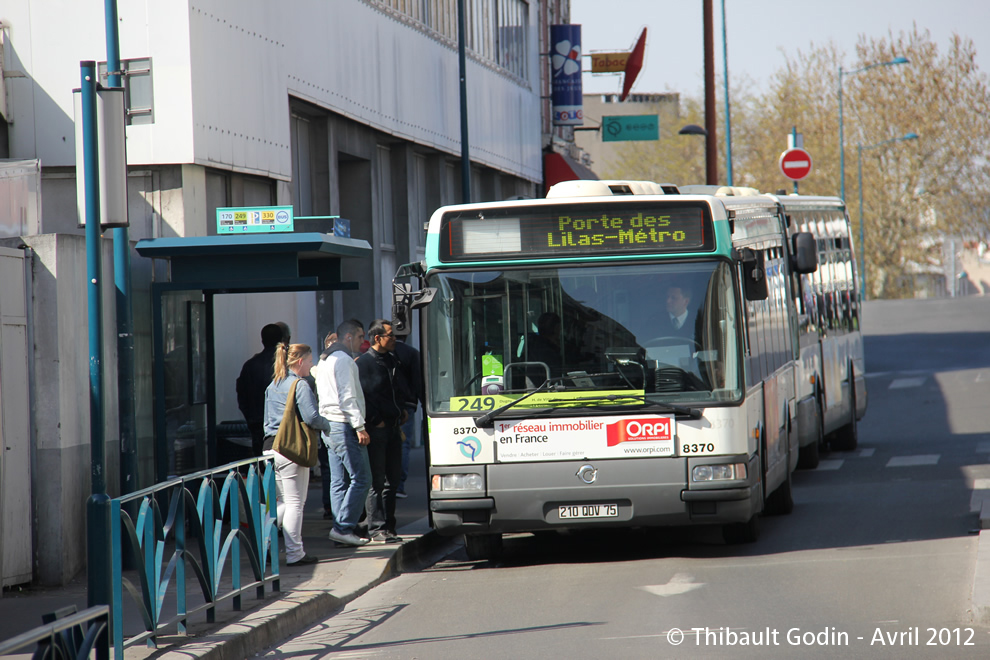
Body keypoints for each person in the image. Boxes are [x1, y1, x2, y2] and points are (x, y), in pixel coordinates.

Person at [263, 342, 329, 566]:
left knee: (282, 501)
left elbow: (267, 421)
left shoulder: (273, 385)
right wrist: (329, 424)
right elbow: (311, 418)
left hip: (270, 448)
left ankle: (264, 543)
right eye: (310, 361)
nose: (311, 366)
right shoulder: (299, 385)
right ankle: (294, 553)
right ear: (300, 362)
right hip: (291, 449)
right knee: (295, 503)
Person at [315, 320, 372, 548]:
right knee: (361, 478)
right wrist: (360, 426)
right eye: (360, 337)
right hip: (344, 424)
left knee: (338, 481)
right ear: (348, 337)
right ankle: (343, 527)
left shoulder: (326, 359)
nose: (362, 341)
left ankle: (341, 529)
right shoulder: (344, 360)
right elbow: (347, 397)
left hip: (328, 425)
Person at [356, 319, 406, 544]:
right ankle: (376, 528)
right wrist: (375, 421)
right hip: (377, 430)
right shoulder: (364, 364)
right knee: (377, 481)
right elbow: (363, 396)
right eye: (390, 335)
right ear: (377, 338)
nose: (394, 339)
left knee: (392, 480)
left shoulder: (393, 359)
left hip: (394, 427)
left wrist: (403, 411)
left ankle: (389, 526)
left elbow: (396, 390)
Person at [236, 323, 284, 456]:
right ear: (282, 340)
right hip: (282, 424)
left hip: (257, 422)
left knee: (261, 462)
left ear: (262, 340)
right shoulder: (285, 365)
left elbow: (241, 395)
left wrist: (250, 418)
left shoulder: (250, 365)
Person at [392, 335, 423, 498]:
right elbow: (418, 381)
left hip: (388, 404)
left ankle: (387, 482)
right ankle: (399, 485)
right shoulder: (412, 353)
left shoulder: (385, 352)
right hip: (408, 404)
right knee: (403, 444)